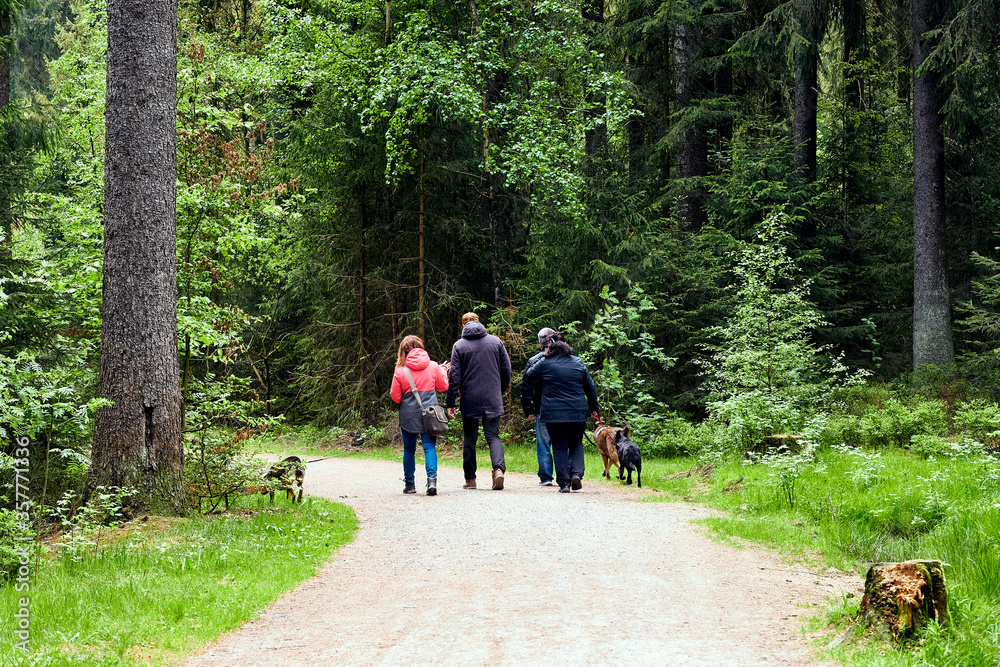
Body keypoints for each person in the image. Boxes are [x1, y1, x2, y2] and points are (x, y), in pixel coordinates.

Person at [520, 331, 600, 493]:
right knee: (576, 443)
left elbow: (528, 376)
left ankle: (564, 483)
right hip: (577, 412)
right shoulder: (578, 363)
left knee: (559, 446)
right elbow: (590, 388)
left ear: (550, 348)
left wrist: (543, 357)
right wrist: (594, 408)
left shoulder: (545, 364)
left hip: (553, 413)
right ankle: (576, 473)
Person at [446, 312, 512, 490]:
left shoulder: (459, 346)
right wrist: (498, 391)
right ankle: (498, 470)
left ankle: (470, 479)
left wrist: (450, 401)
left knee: (469, 438)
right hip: (492, 397)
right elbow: (507, 371)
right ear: (480, 322)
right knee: (493, 436)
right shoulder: (496, 342)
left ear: (462, 326)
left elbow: (454, 377)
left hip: (469, 399)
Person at [389, 335, 449, 495]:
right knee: (429, 448)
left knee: (409, 450)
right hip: (430, 416)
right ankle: (431, 482)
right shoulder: (434, 366)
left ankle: (410, 485)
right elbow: (443, 387)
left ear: (403, 351)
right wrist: (443, 371)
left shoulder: (400, 371)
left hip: (408, 417)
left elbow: (395, 397)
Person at [524, 327, 557, 486]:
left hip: (542, 408)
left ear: (540, 343)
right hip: (563, 409)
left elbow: (526, 386)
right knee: (561, 442)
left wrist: (528, 408)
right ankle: (565, 475)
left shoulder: (534, 361)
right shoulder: (565, 358)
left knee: (543, 443)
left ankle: (546, 477)